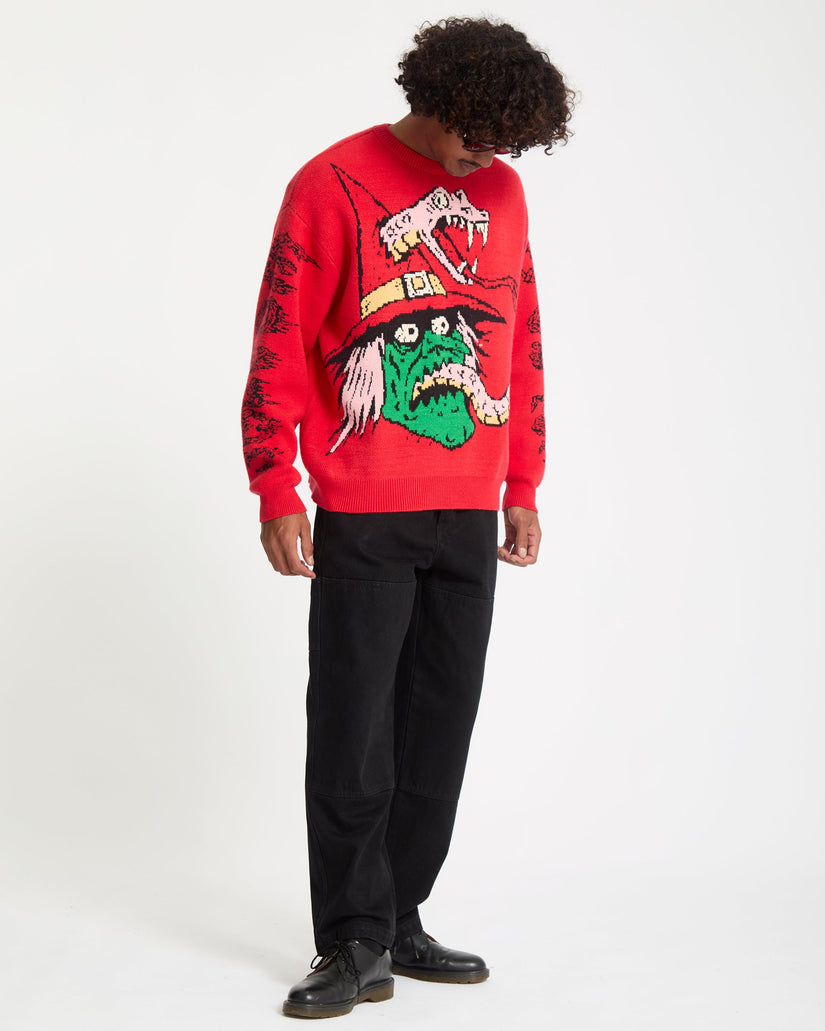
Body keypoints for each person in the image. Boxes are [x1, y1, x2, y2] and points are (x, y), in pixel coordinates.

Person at [241, 16, 575, 1020]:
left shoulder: (503, 192)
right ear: (435, 99)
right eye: (479, 133)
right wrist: (274, 485)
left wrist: (523, 480)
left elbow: (520, 336)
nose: (491, 155)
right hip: (364, 503)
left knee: (439, 726)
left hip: (469, 506)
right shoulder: (331, 181)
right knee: (354, 726)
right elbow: (280, 339)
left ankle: (397, 913)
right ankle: (351, 935)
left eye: (508, 142)